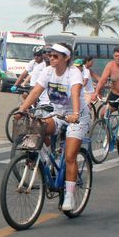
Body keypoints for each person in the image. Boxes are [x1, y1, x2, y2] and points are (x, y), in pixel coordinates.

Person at [16, 44, 89, 212]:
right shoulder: (48, 71)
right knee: (37, 127)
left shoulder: (74, 73)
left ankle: (69, 195)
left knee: (70, 157)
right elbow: (35, 92)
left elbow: (76, 93)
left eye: (56, 56)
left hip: (77, 117)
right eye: (50, 55)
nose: (51, 58)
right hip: (57, 113)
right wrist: (21, 110)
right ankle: (49, 160)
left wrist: (76, 114)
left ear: (66, 58)